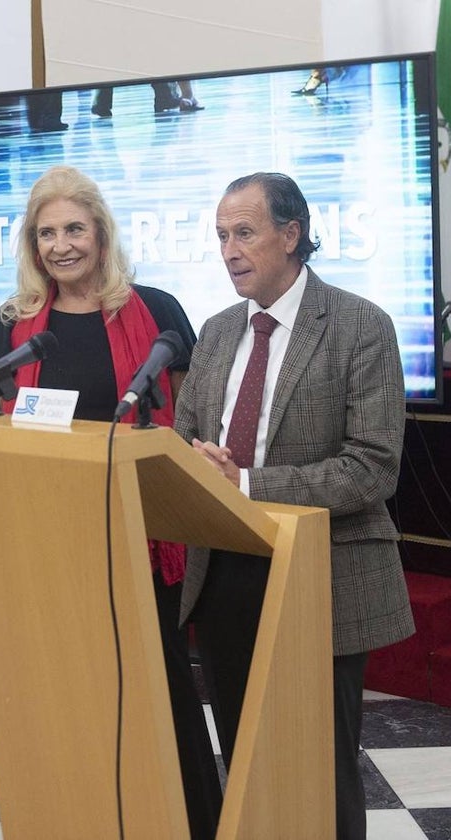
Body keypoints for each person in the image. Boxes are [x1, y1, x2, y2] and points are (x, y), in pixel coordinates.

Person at [0, 165, 222, 840]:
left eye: (74, 229)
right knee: (69, 690)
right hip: (54, 542)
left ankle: (194, 824)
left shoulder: (159, 312)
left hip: (146, 534)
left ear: (101, 234)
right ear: (32, 244)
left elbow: (196, 414)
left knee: (163, 690)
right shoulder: (15, 325)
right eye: (46, 232)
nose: (62, 245)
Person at [174, 172, 415, 840]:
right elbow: (189, 441)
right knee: (246, 759)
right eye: (221, 235)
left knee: (320, 769)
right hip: (223, 574)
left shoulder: (361, 325)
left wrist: (247, 484)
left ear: (292, 233)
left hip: (321, 579)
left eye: (244, 232)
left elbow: (371, 468)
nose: (229, 250)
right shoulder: (217, 332)